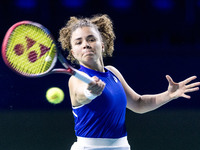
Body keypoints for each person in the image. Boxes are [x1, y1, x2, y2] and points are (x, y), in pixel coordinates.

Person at [58, 14, 200, 150]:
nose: (85, 45)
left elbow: (138, 103)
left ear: (102, 44)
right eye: (78, 42)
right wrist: (90, 92)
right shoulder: (75, 79)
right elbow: (80, 95)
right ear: (73, 53)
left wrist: (168, 95)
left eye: (91, 39)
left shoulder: (113, 72)